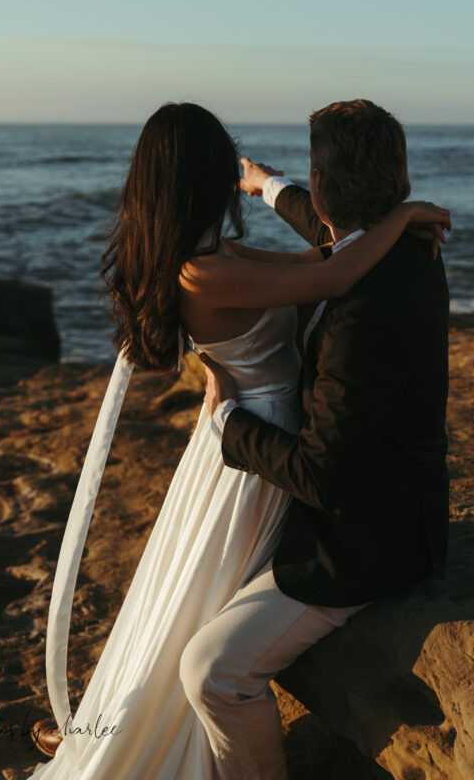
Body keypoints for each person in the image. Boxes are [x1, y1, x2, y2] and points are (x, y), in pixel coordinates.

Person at [28, 101, 450, 779]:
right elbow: (330, 268)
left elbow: (322, 249)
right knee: (191, 597)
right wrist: (401, 218)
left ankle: (125, 724)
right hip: (251, 442)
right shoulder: (204, 269)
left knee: (191, 596)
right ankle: (126, 730)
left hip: (272, 446)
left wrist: (266, 184)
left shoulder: (209, 253)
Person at [190, 99, 451, 779]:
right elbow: (325, 225)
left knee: (211, 671)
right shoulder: (382, 245)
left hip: (366, 536)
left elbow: (323, 475)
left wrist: (224, 418)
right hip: (366, 499)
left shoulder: (369, 307)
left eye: (314, 170)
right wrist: (265, 181)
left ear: (332, 179)